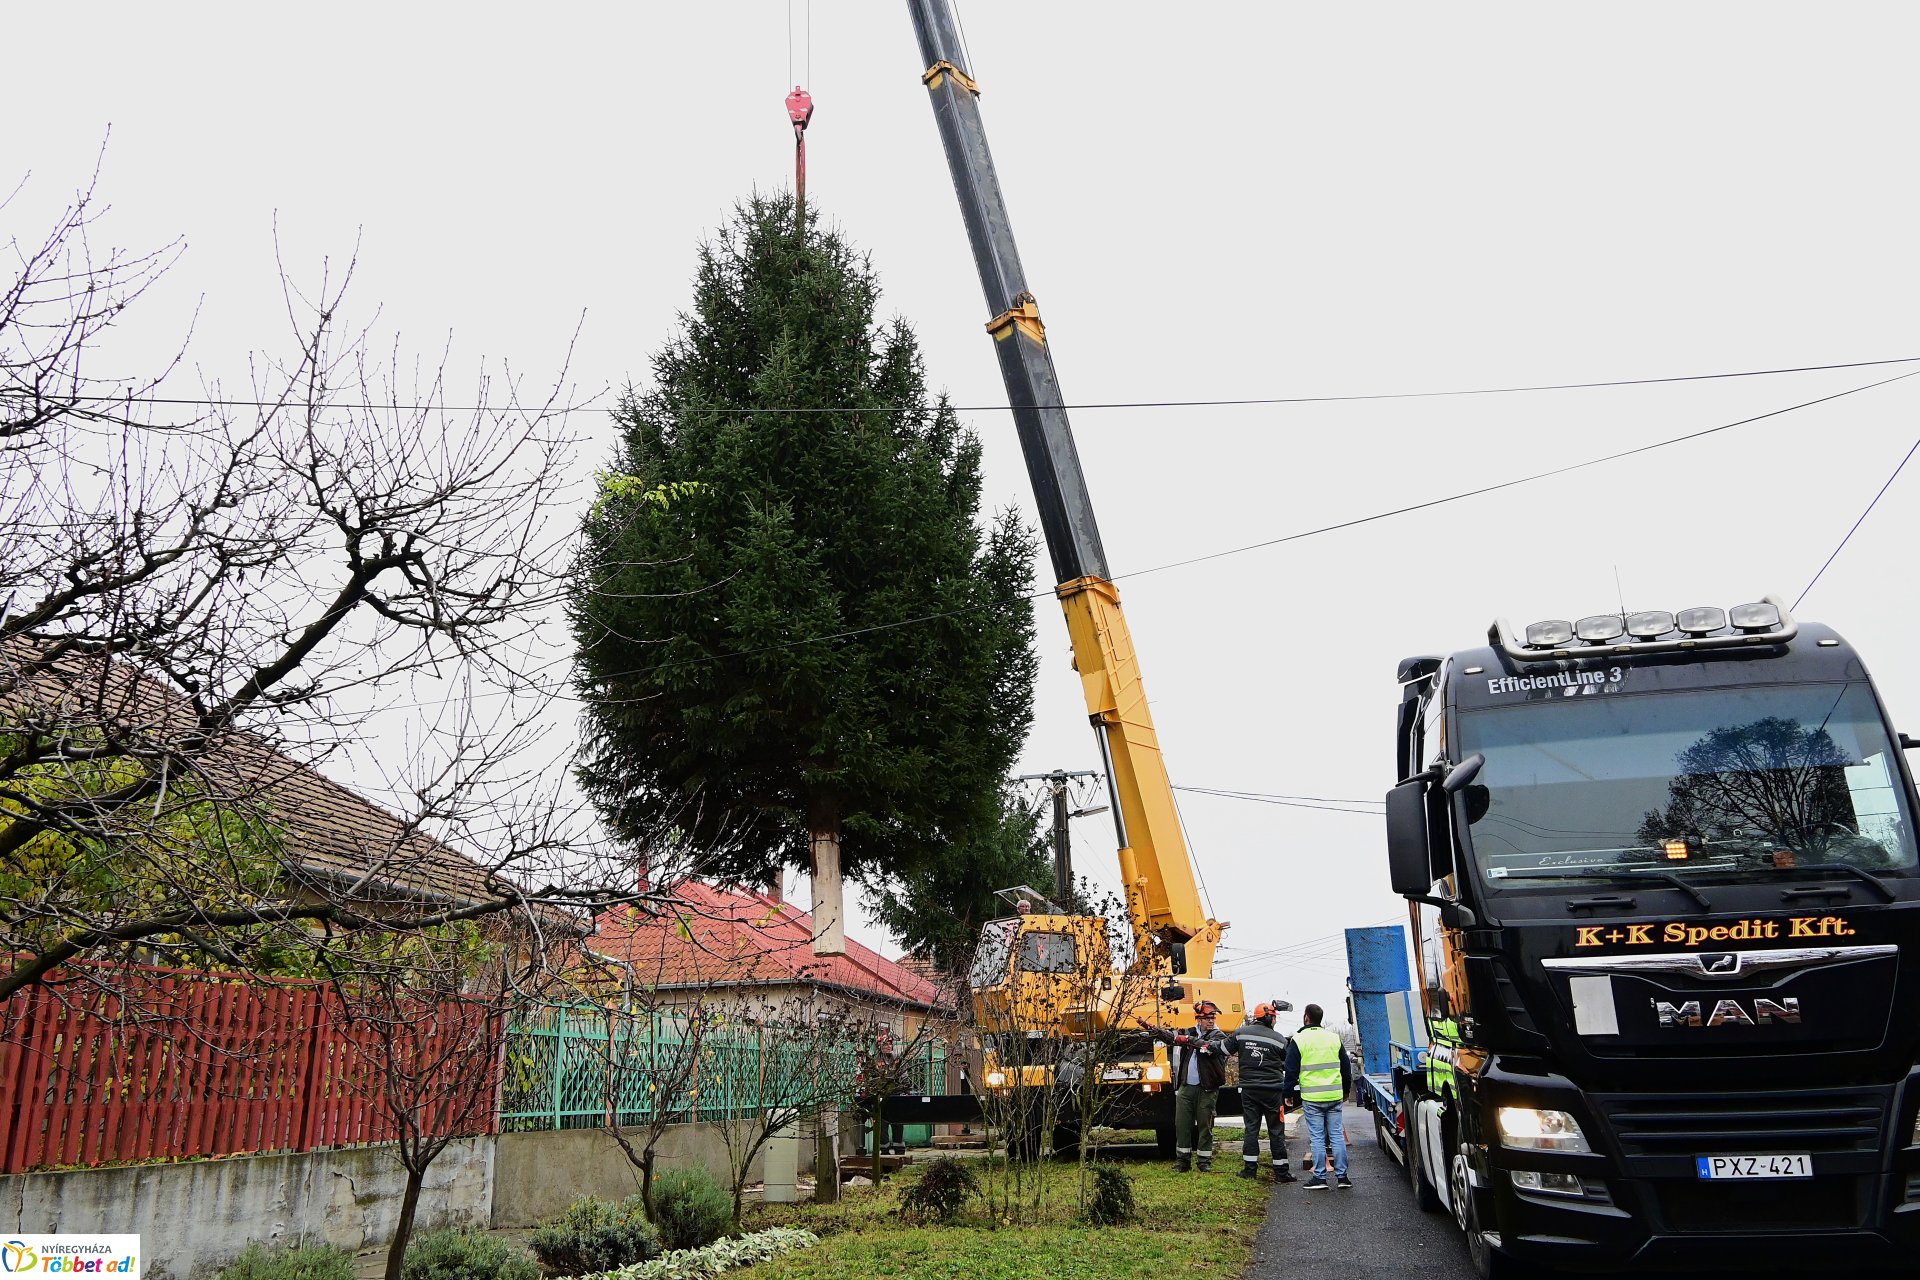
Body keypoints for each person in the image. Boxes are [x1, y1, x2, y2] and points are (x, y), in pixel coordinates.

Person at [1223, 1001, 1295, 1181]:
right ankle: (1281, 1173)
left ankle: (1249, 1170)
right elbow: (1289, 1062)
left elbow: (1222, 1048)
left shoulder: (1240, 1034)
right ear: (1269, 1017)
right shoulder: (1279, 1039)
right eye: (1275, 1018)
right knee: (1276, 1131)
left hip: (1249, 1091)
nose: (1275, 1022)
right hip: (1273, 1092)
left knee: (1251, 1129)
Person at [1284, 1002, 1353, 1190]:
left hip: (1313, 1098)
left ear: (1306, 1017)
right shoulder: (1333, 1038)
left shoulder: (1299, 1039)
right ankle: (1343, 1177)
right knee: (1337, 1135)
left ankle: (1320, 1178)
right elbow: (1346, 1069)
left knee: (1317, 1138)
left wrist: (1288, 1093)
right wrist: (1346, 1090)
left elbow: (1290, 1069)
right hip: (1334, 1094)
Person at [1154, 999, 1228, 1172]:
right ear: (1198, 1019)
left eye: (1213, 1017)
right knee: (1182, 1124)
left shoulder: (1219, 1036)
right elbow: (1172, 1038)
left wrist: (1187, 1039)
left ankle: (1204, 1162)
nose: (1211, 1020)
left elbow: (1207, 1047)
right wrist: (1156, 1031)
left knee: (1205, 1125)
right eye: (1207, 1017)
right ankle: (1182, 1162)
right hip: (1187, 1087)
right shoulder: (1188, 1032)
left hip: (1207, 1088)